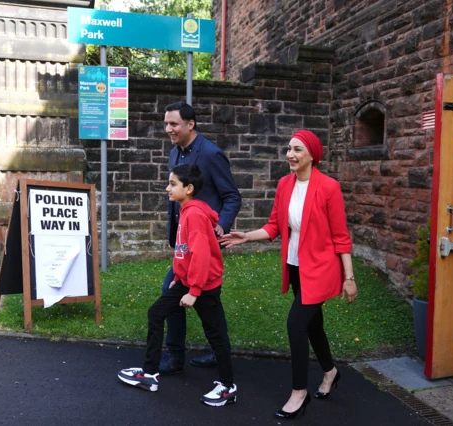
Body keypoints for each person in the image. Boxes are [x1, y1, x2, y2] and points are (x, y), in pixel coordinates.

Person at [220, 129, 357, 419]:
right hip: (295, 267)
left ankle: (299, 393)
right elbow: (274, 226)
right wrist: (247, 236)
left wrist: (349, 278)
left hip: (321, 269)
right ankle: (331, 372)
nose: (290, 155)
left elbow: (341, 237)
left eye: (297, 150)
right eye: (288, 149)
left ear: (311, 155)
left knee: (296, 324)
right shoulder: (284, 184)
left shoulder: (329, 187)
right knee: (313, 325)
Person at [118, 164, 237, 407]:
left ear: (189, 188)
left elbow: (202, 255)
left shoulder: (194, 214)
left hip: (204, 285)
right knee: (156, 313)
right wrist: (178, 277)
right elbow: (184, 252)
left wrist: (194, 291)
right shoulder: (186, 210)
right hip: (186, 280)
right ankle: (149, 374)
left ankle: (227, 386)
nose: (167, 188)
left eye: (173, 184)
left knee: (214, 333)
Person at [160, 101, 241, 374]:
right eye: (166, 123)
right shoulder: (174, 154)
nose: (168, 129)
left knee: (196, 299)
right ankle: (182, 354)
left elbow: (232, 196)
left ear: (190, 124)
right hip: (184, 244)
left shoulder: (211, 154)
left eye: (174, 124)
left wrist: (222, 225)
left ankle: (180, 355)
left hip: (204, 244)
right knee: (183, 296)